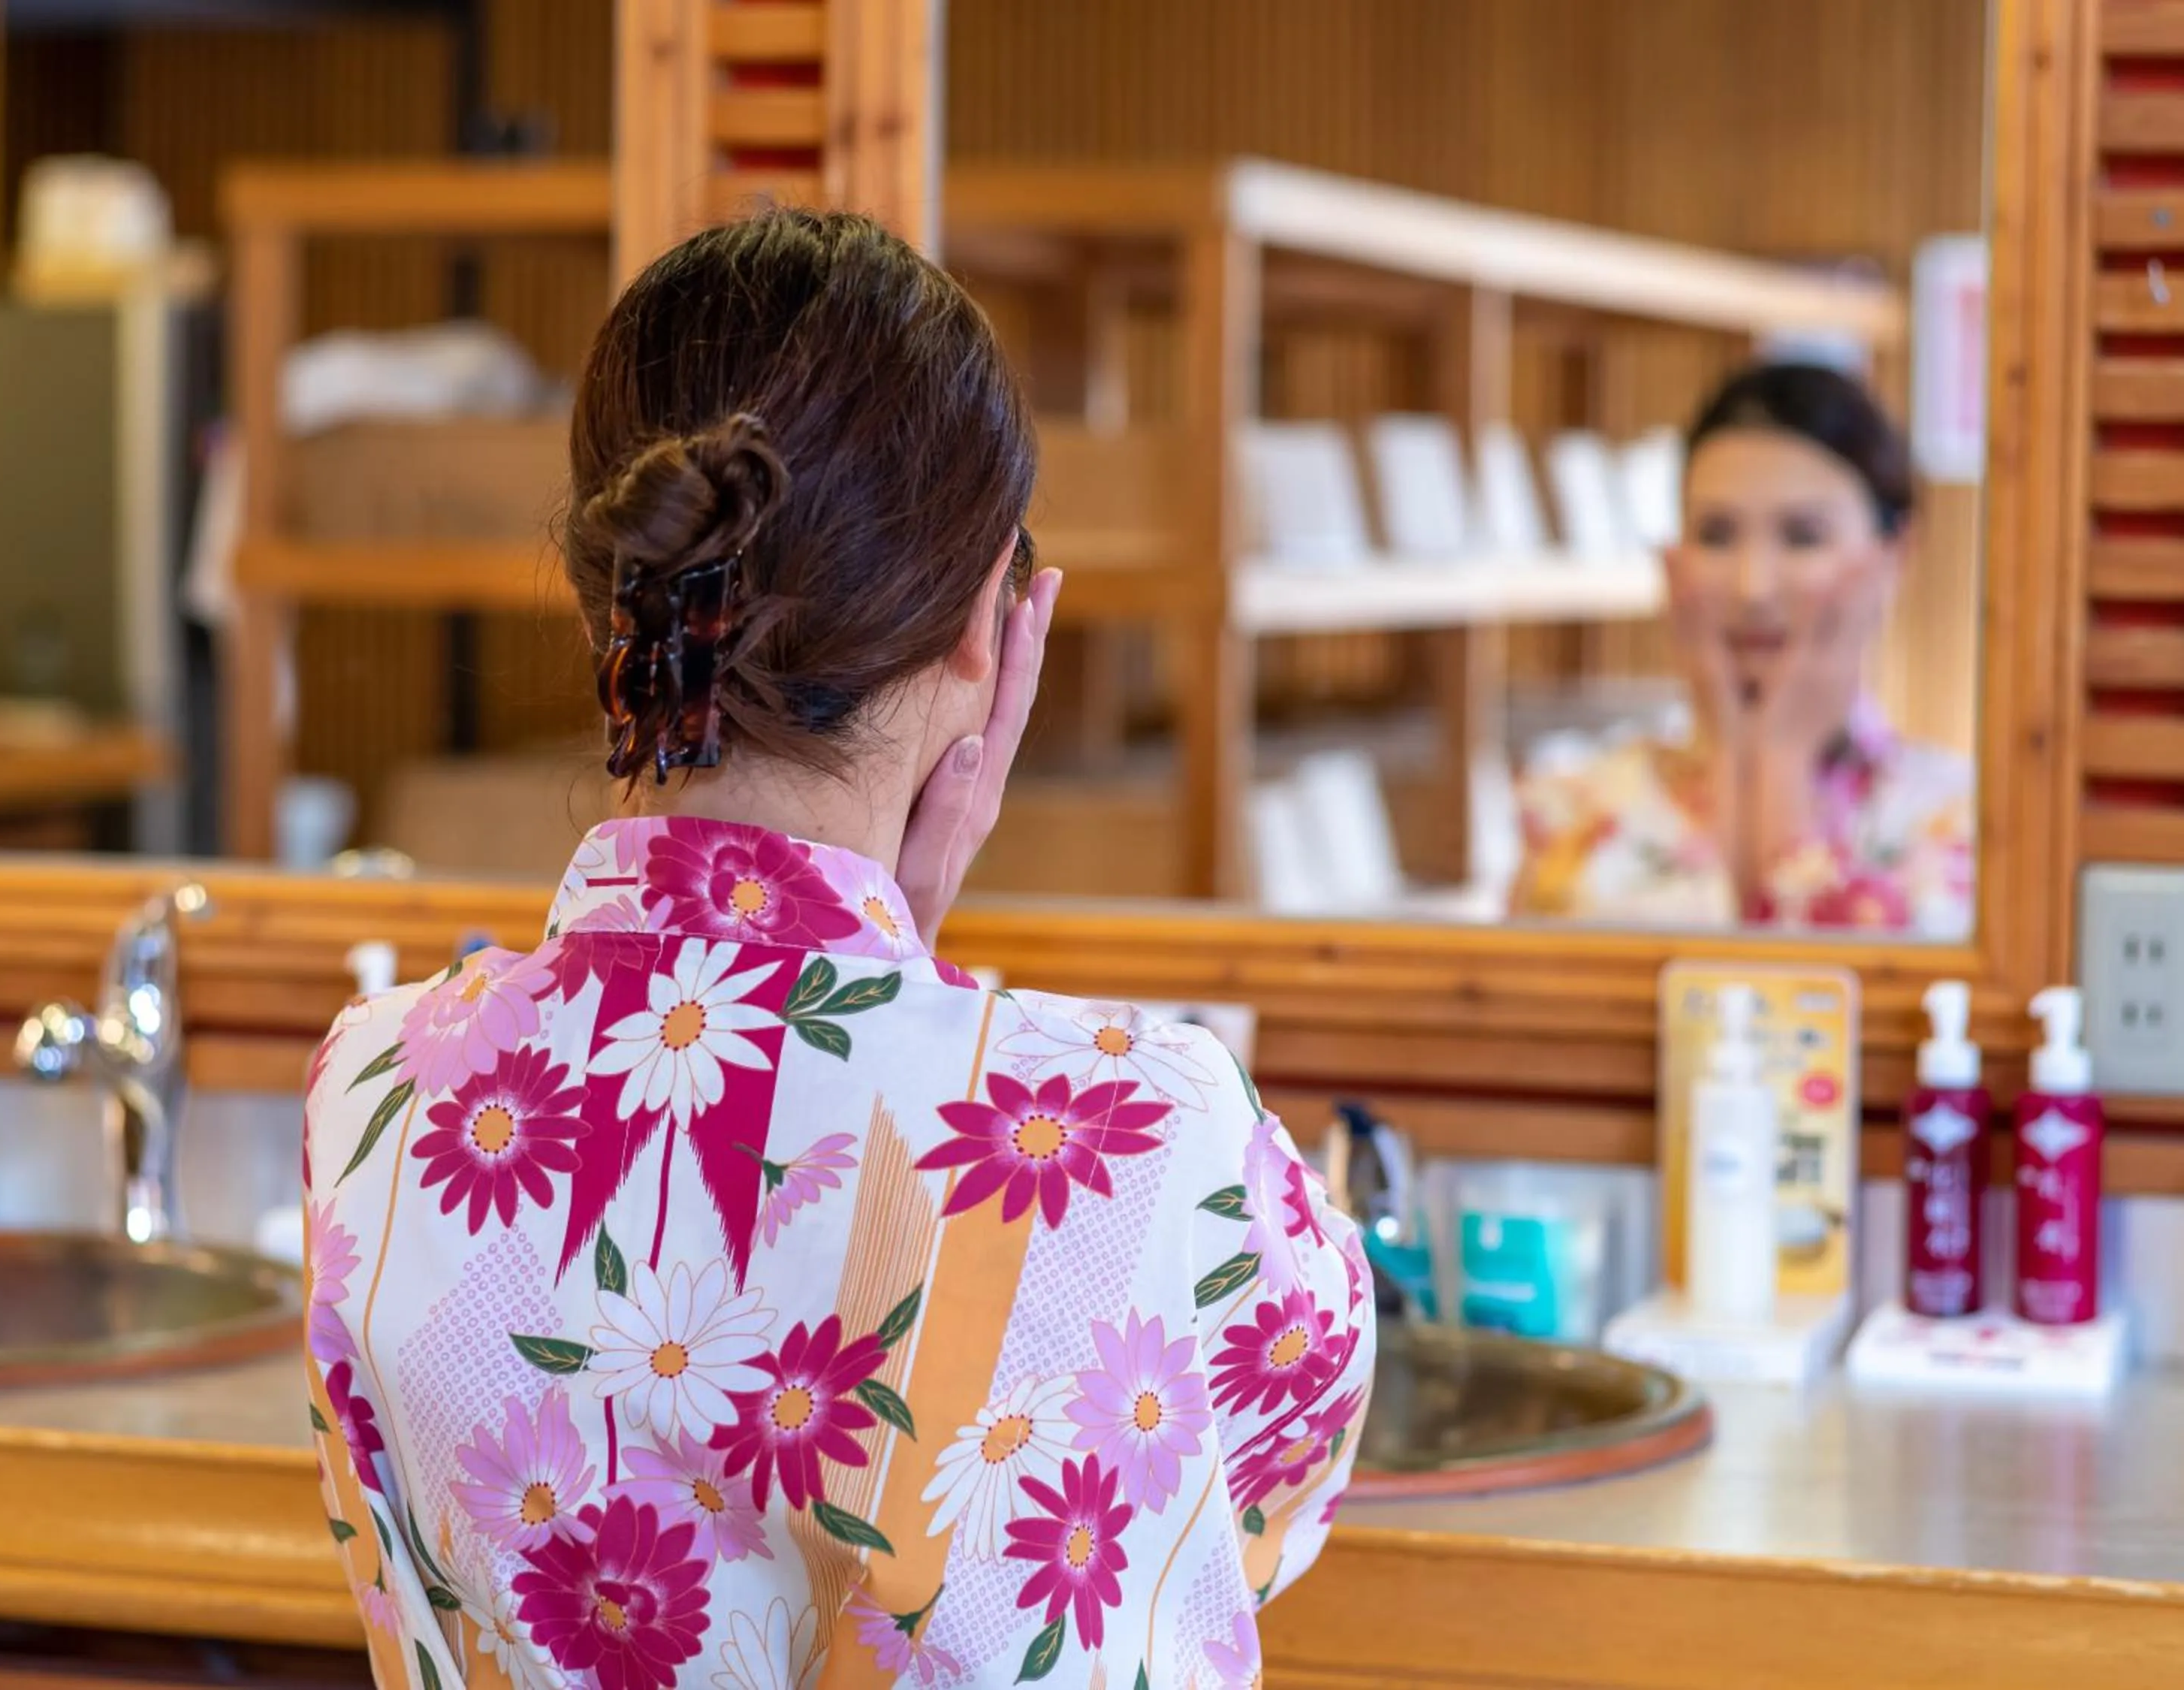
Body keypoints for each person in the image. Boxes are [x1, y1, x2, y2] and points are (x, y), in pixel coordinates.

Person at [303, 210, 1371, 1690]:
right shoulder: (1157, 1142)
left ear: (618, 598)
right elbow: (1261, 1511)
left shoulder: (377, 1095)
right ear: (989, 631)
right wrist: (901, 970)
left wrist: (887, 963)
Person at [1510, 363, 1974, 936]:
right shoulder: (1573, 809)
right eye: (1716, 535)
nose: (1753, 587)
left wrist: (1779, 764)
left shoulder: (1959, 825)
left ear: (1895, 555)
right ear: (1673, 560)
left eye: (1803, 536)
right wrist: (1730, 755)